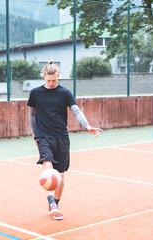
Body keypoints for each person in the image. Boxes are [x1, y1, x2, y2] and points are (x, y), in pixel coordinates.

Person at [27, 60, 102, 220]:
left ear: (59, 77)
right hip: (43, 135)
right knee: (47, 164)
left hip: (61, 136)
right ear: (43, 77)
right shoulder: (35, 93)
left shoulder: (65, 93)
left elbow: (76, 110)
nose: (51, 83)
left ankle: (56, 203)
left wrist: (87, 125)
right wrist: (34, 133)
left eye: (54, 80)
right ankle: (51, 203)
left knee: (60, 175)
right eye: (48, 80)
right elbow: (32, 114)